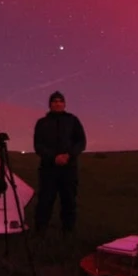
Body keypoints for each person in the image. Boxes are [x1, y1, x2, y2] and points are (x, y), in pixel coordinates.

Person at [33, 90, 87, 235]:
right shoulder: (42, 123)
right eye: (54, 101)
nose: (57, 103)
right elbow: (38, 145)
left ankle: (68, 231)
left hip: (69, 168)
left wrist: (69, 155)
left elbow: (81, 141)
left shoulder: (73, 120)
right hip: (48, 168)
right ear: (50, 104)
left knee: (68, 199)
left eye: (60, 101)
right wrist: (53, 157)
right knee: (45, 199)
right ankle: (40, 230)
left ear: (64, 104)